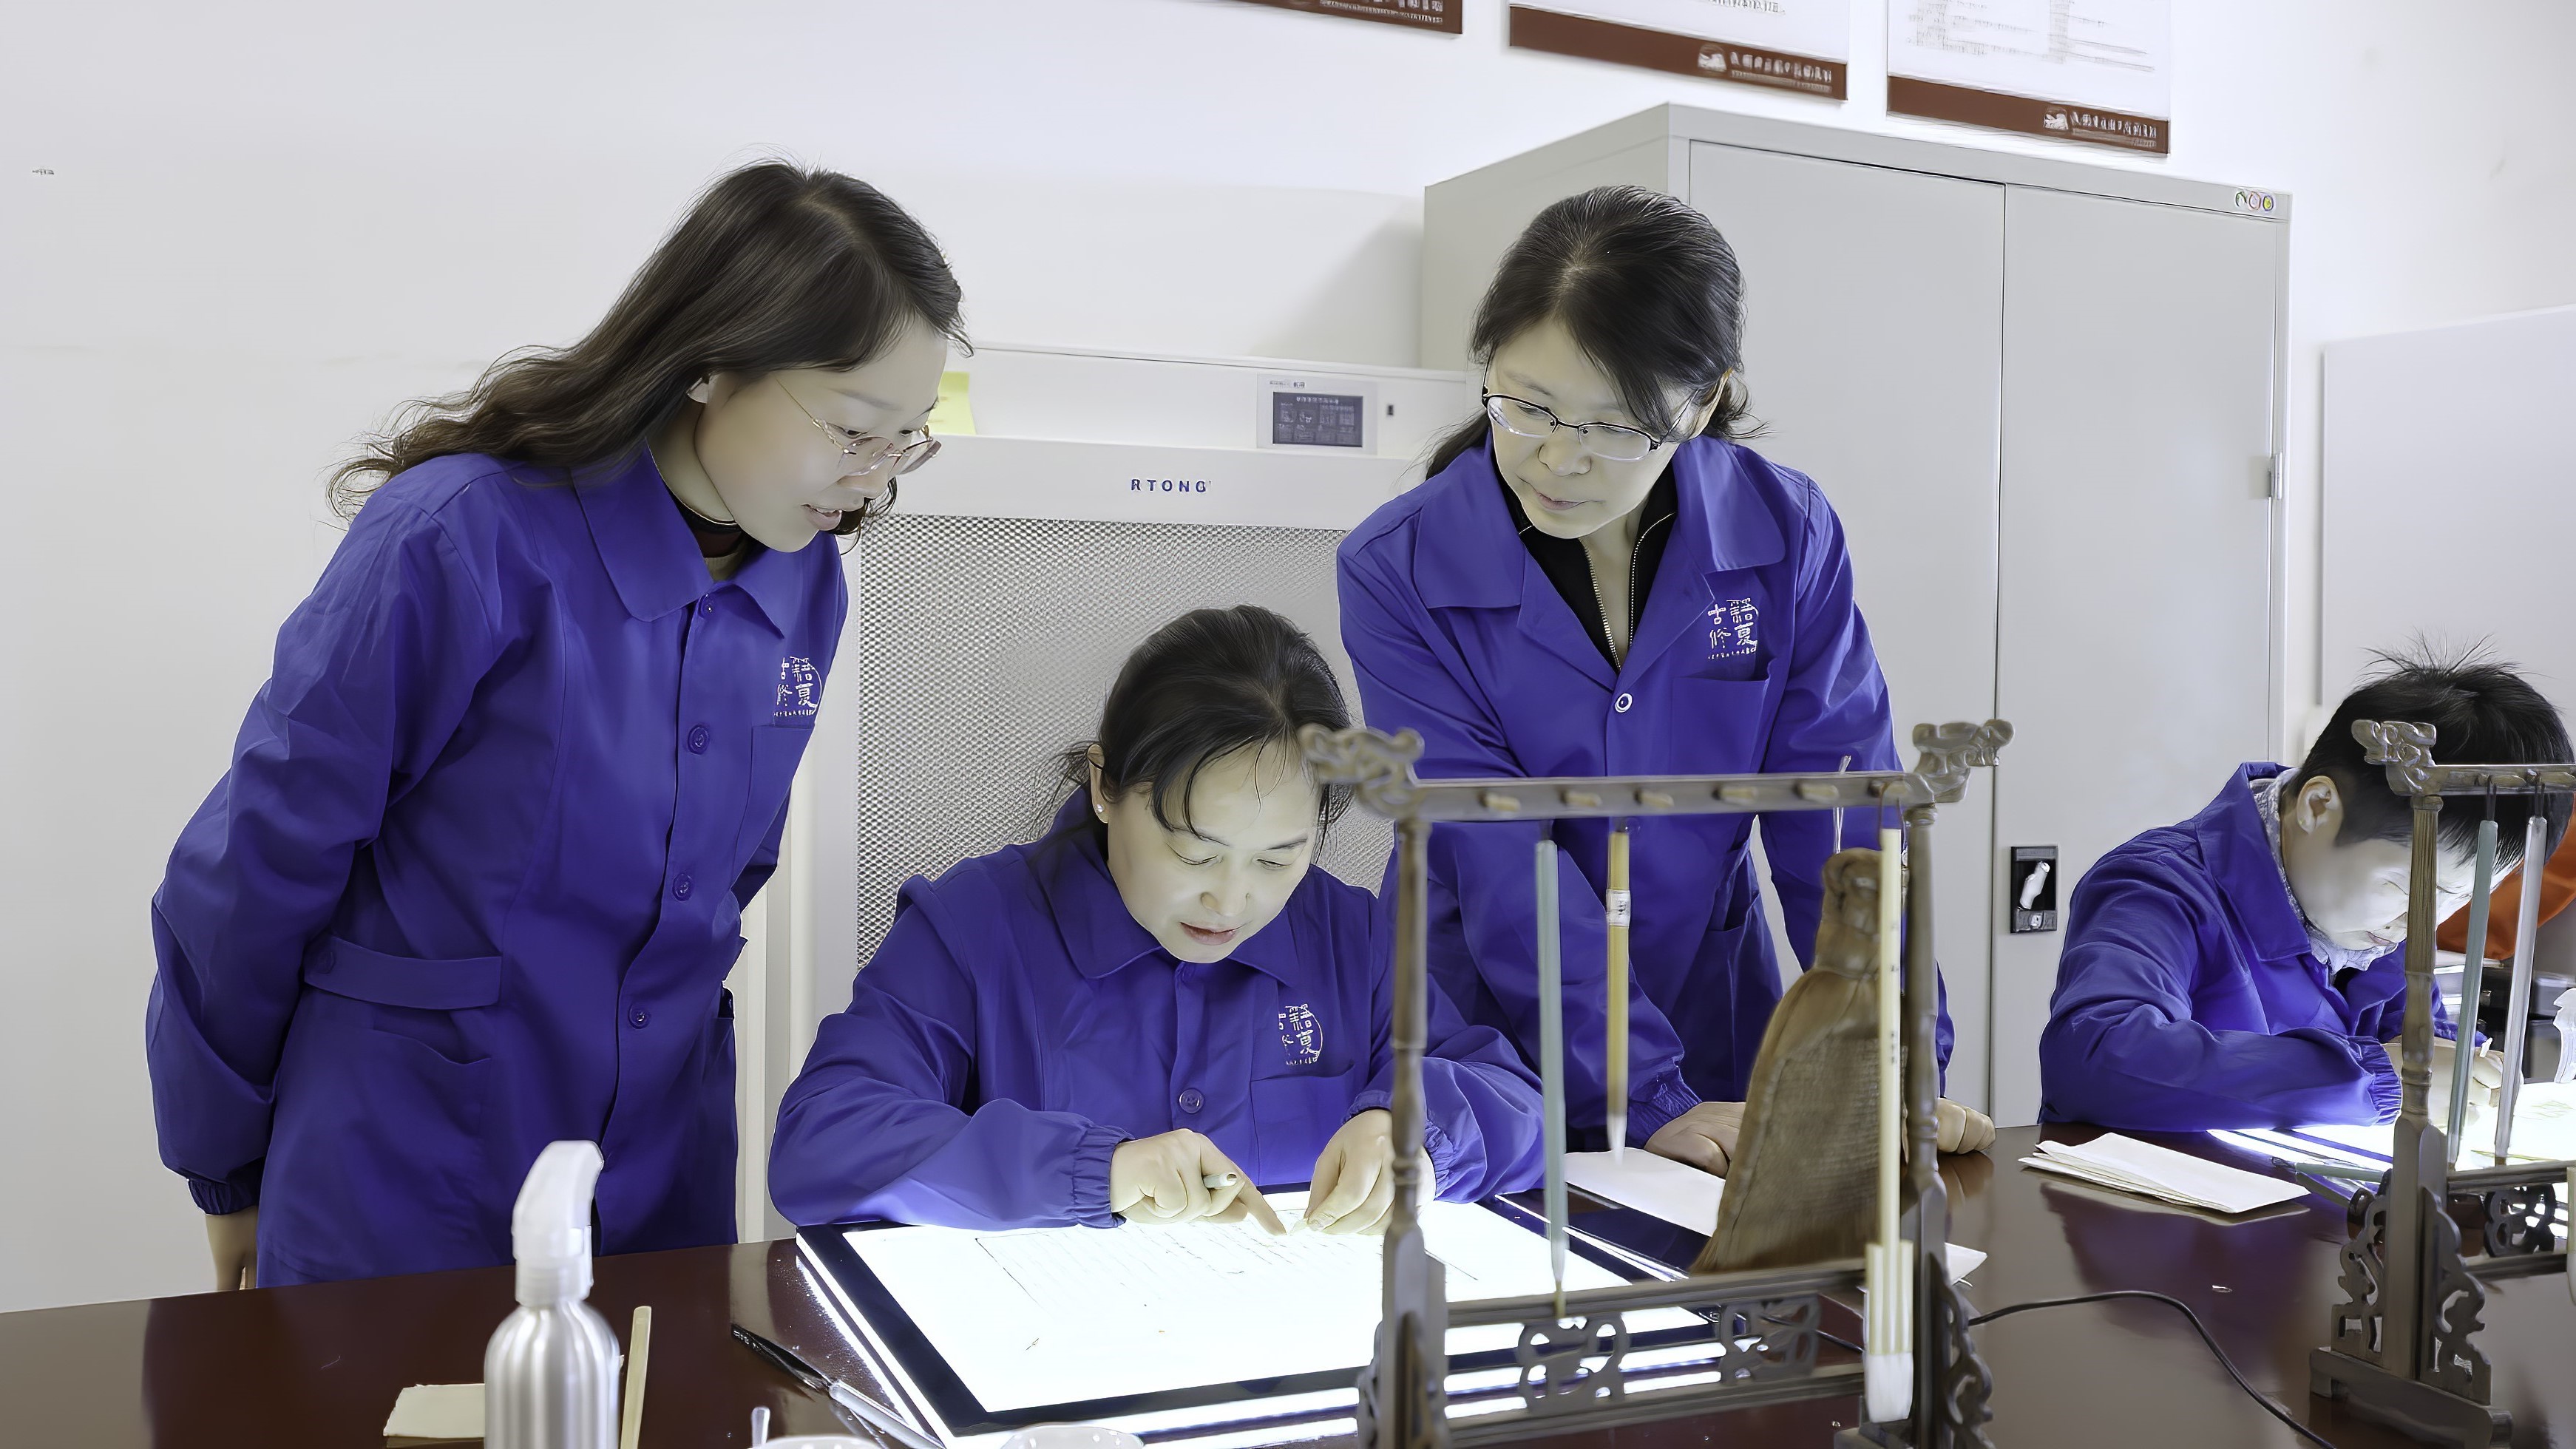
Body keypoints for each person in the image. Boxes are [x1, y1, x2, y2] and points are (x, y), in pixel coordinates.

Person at [146, 162, 964, 1288]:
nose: (873, 480)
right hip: (411, 1168)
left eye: (907, 440)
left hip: (658, 1170)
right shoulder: (463, 539)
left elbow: (731, 872)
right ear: (713, 359)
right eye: (853, 430)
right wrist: (223, 1162)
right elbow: (257, 865)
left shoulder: (803, 579)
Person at [1336, 186, 1986, 1175]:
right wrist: (1639, 1092)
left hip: (1709, 1015)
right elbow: (1502, 852)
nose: (1559, 458)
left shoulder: (1785, 535)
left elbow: (1847, 816)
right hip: (1488, 1039)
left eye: (1616, 426)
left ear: (1706, 401)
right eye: (1528, 405)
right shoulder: (1399, 568)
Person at [770, 606, 1546, 1233]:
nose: (1232, 901)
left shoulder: (1355, 940)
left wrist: (1415, 1132)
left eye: (1278, 858)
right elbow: (824, 1142)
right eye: (1195, 852)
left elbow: (1517, 1105)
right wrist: (1091, 1171)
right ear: (1107, 786)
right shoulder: (974, 928)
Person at [2040, 654, 2569, 1130]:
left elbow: (2418, 1048)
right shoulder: (2159, 887)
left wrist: (2467, 1071)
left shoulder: (2382, 920)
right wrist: (2377, 1077)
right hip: (2147, 1222)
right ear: (2317, 807)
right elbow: (2095, 1058)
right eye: (2406, 886)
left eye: (2457, 898)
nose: (2420, 924)